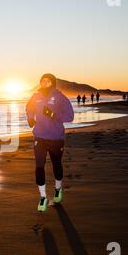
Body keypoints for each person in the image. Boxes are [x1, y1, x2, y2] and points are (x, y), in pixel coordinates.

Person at [26, 74, 74, 212]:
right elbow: (29, 107)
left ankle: (58, 189)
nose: (44, 82)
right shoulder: (36, 96)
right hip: (39, 137)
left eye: (47, 80)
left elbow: (70, 116)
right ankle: (43, 197)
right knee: (39, 166)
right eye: (42, 80)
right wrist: (30, 118)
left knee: (56, 164)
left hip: (56, 138)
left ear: (52, 83)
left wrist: (53, 115)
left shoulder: (59, 96)